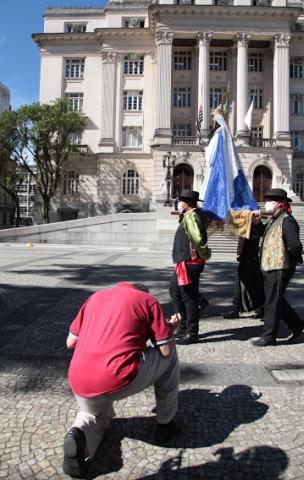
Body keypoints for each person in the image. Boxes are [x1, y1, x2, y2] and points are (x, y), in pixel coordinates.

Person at [63, 282, 181, 479]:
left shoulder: (95, 297)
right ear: (143, 292)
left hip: (79, 379)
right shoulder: (148, 301)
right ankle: (166, 423)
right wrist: (168, 331)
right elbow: (165, 351)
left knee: (96, 415)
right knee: (171, 355)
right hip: (117, 376)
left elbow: (70, 343)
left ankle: (78, 438)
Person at [252, 188, 304, 347]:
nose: (267, 203)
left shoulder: (287, 220)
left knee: (272, 301)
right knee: (275, 299)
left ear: (279, 203)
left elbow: (295, 245)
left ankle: (269, 336)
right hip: (269, 266)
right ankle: (297, 324)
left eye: (270, 200)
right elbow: (266, 234)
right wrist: (257, 224)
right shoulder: (274, 219)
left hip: (280, 267)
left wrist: (293, 260)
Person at [169, 189, 211, 345]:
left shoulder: (192, 216)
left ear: (186, 203)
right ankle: (184, 325)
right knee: (175, 291)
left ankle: (192, 332)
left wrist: (204, 253)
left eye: (181, 200)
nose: (179, 203)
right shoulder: (187, 216)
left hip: (190, 262)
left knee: (189, 297)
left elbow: (197, 239)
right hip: (183, 261)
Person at [223, 223, 264, 319]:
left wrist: (239, 253)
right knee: (255, 284)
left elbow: (242, 239)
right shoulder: (256, 225)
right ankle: (259, 308)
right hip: (252, 258)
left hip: (248, 258)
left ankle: (238, 308)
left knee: (244, 284)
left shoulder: (249, 225)